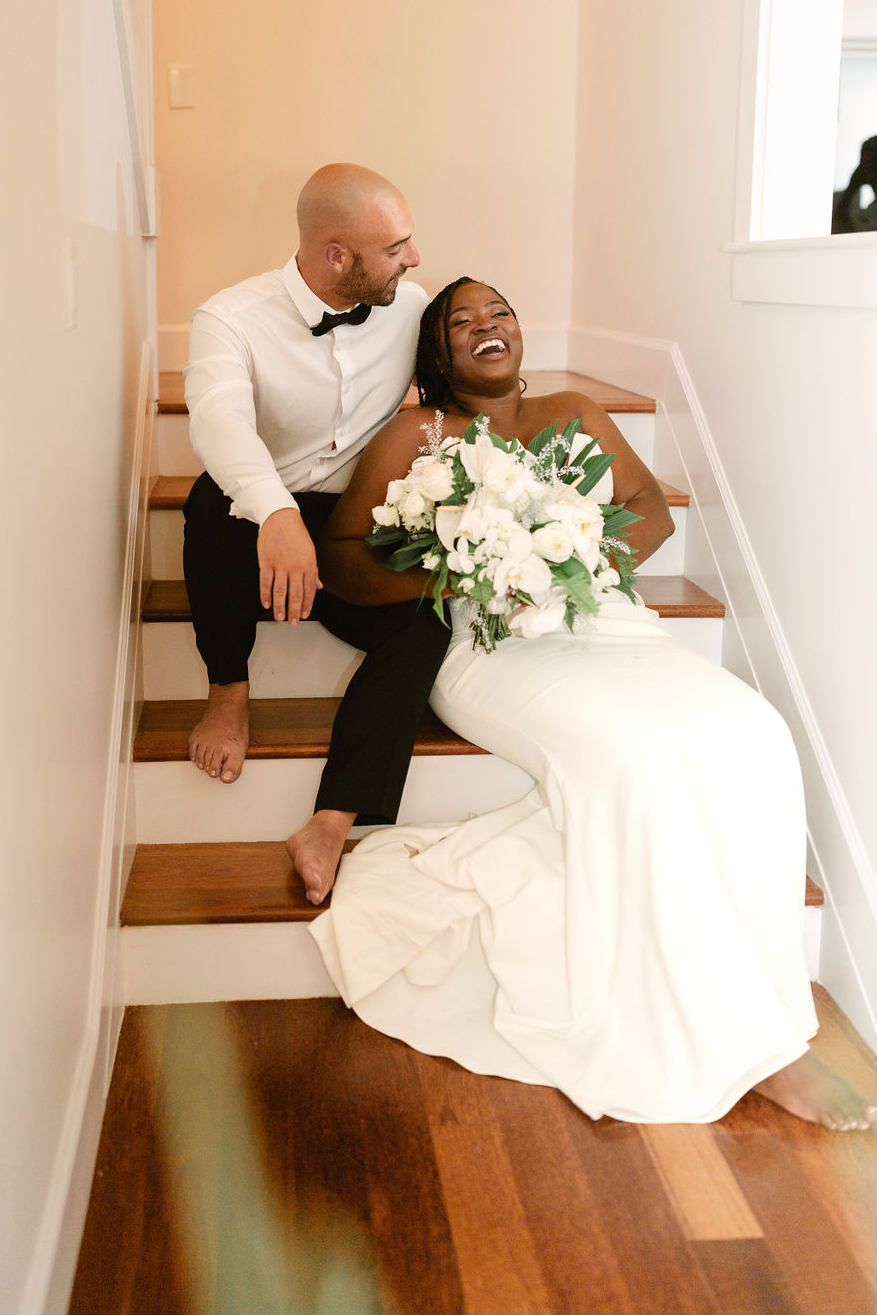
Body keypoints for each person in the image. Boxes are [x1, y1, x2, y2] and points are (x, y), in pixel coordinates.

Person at [308, 276, 877, 1130]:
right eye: (463, 323)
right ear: (438, 355)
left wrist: (569, 545)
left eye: (498, 312)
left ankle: (770, 999)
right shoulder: (416, 434)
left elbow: (651, 512)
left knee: (754, 734)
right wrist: (466, 567)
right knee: (636, 758)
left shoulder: (578, 409)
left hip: (607, 622)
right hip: (492, 643)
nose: (487, 327)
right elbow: (345, 559)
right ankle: (763, 1052)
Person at [182, 164, 452, 905]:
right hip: (260, 515)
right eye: (397, 246)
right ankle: (229, 692)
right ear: (338, 256)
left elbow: (457, 393)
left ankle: (331, 821)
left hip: (354, 522)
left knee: (426, 613)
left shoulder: (410, 305)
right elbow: (217, 420)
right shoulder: (230, 318)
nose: (414, 259)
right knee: (209, 506)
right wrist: (273, 511)